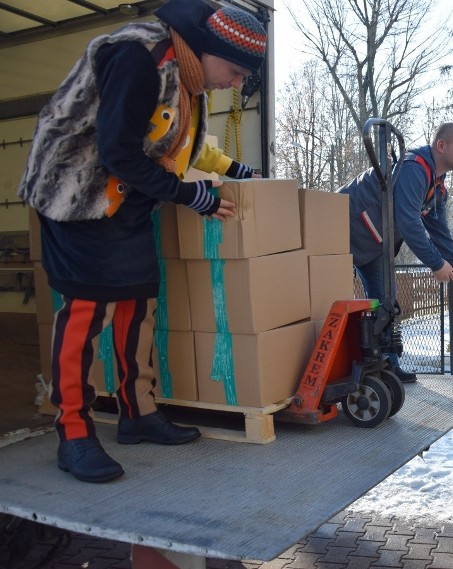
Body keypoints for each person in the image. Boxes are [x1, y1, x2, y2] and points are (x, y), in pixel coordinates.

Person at [17, 0, 267, 483]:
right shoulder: (139, 56)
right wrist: (190, 196)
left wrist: (220, 175)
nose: (236, 84)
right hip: (77, 192)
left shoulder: (190, 73)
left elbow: (183, 143)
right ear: (209, 50)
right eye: (235, 72)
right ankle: (71, 430)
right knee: (86, 309)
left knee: (138, 299)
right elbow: (116, 150)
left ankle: (138, 412)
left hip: (126, 195)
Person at [339, 123, 453, 382]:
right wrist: (436, 264)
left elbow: (439, 232)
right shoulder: (414, 169)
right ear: (441, 146)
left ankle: (387, 367)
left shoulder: (437, 187)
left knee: (387, 304)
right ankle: (339, 366)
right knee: (331, 303)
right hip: (339, 232)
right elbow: (409, 223)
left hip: (374, 246)